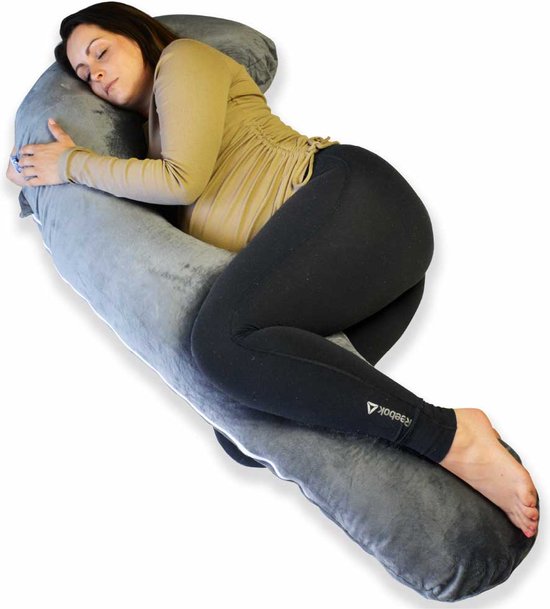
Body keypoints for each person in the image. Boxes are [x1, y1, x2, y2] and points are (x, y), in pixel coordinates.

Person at [6, 1, 539, 538]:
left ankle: (452, 434)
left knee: (221, 343)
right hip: (352, 269)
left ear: (139, 35)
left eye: (100, 52)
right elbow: (150, 186)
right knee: (248, 429)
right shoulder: (151, 141)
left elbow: (183, 181)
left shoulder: (183, 60)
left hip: (356, 207)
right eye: (83, 74)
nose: (94, 75)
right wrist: (43, 174)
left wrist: (70, 164)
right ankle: (454, 495)